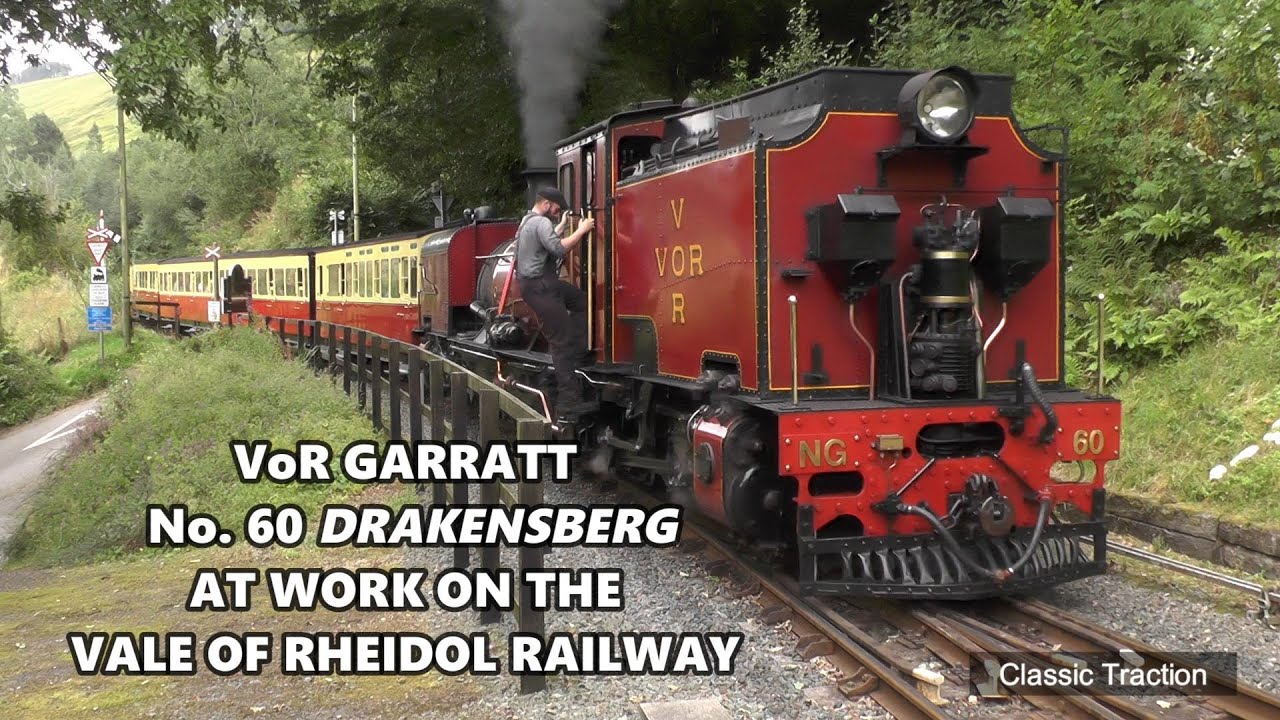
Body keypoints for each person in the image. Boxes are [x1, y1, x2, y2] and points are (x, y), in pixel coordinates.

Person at [514, 186, 596, 418]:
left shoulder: (527, 222)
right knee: (561, 341)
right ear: (547, 204)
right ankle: (569, 401)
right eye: (557, 209)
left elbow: (546, 241)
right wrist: (581, 230)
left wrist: (559, 228)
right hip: (542, 287)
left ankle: (579, 354)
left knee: (581, 300)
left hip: (539, 286)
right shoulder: (540, 223)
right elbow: (559, 250)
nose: (557, 213)